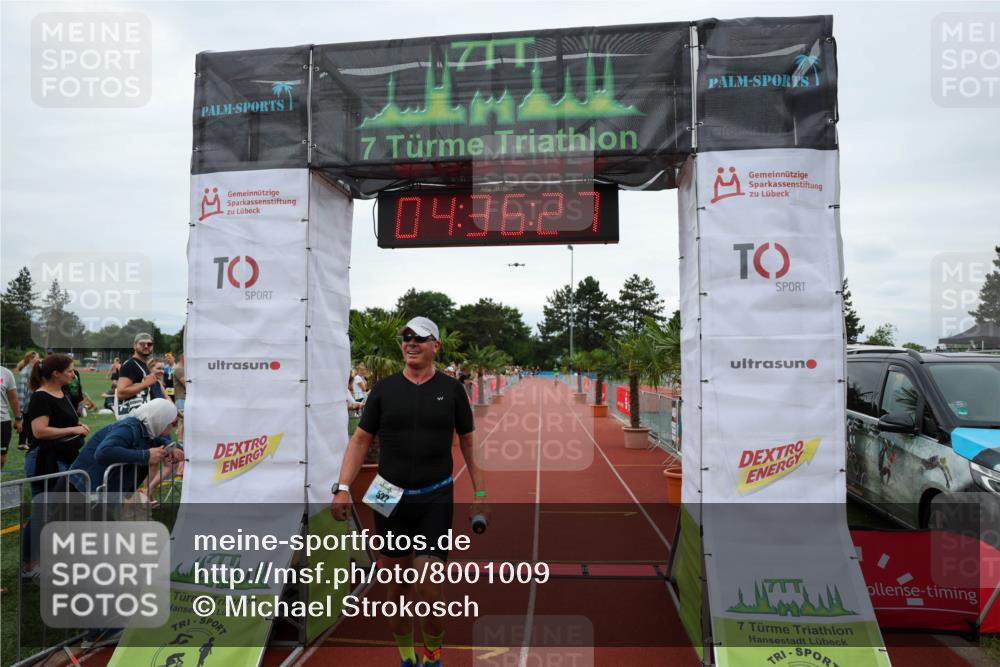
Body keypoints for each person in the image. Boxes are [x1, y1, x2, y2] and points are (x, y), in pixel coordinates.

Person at [331, 316, 487, 667]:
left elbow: (469, 443)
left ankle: (432, 656)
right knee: (398, 587)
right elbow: (359, 441)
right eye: (406, 338)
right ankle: (406, 658)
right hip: (388, 497)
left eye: (419, 338)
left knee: (430, 586)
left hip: (435, 497)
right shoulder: (384, 389)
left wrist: (480, 495)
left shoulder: (452, 391)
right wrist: (342, 488)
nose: (410, 343)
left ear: (436, 346)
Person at [67, 399, 181, 495]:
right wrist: (145, 455)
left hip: (98, 489)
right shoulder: (129, 428)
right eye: (173, 424)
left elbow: (153, 439)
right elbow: (103, 452)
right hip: (80, 488)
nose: (175, 428)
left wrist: (171, 448)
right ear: (160, 420)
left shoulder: (147, 428)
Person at [115, 332, 158, 418]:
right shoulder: (130, 364)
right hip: (134, 419)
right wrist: (145, 384)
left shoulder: (143, 364)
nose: (146, 346)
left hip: (142, 416)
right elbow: (121, 393)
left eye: (149, 344)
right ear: (134, 346)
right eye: (142, 344)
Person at [15, 350, 39, 450]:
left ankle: (30, 442)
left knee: (30, 422)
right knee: (27, 422)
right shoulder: (25, 371)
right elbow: (21, 390)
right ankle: (21, 443)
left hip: (32, 401)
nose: (38, 359)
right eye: (37, 358)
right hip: (27, 402)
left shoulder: (32, 370)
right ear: (31, 359)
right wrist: (20, 408)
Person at [1, 364, 22, 469]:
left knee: (2, 455)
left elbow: (13, 399)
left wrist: (18, 419)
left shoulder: (6, 373)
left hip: (2, 421)